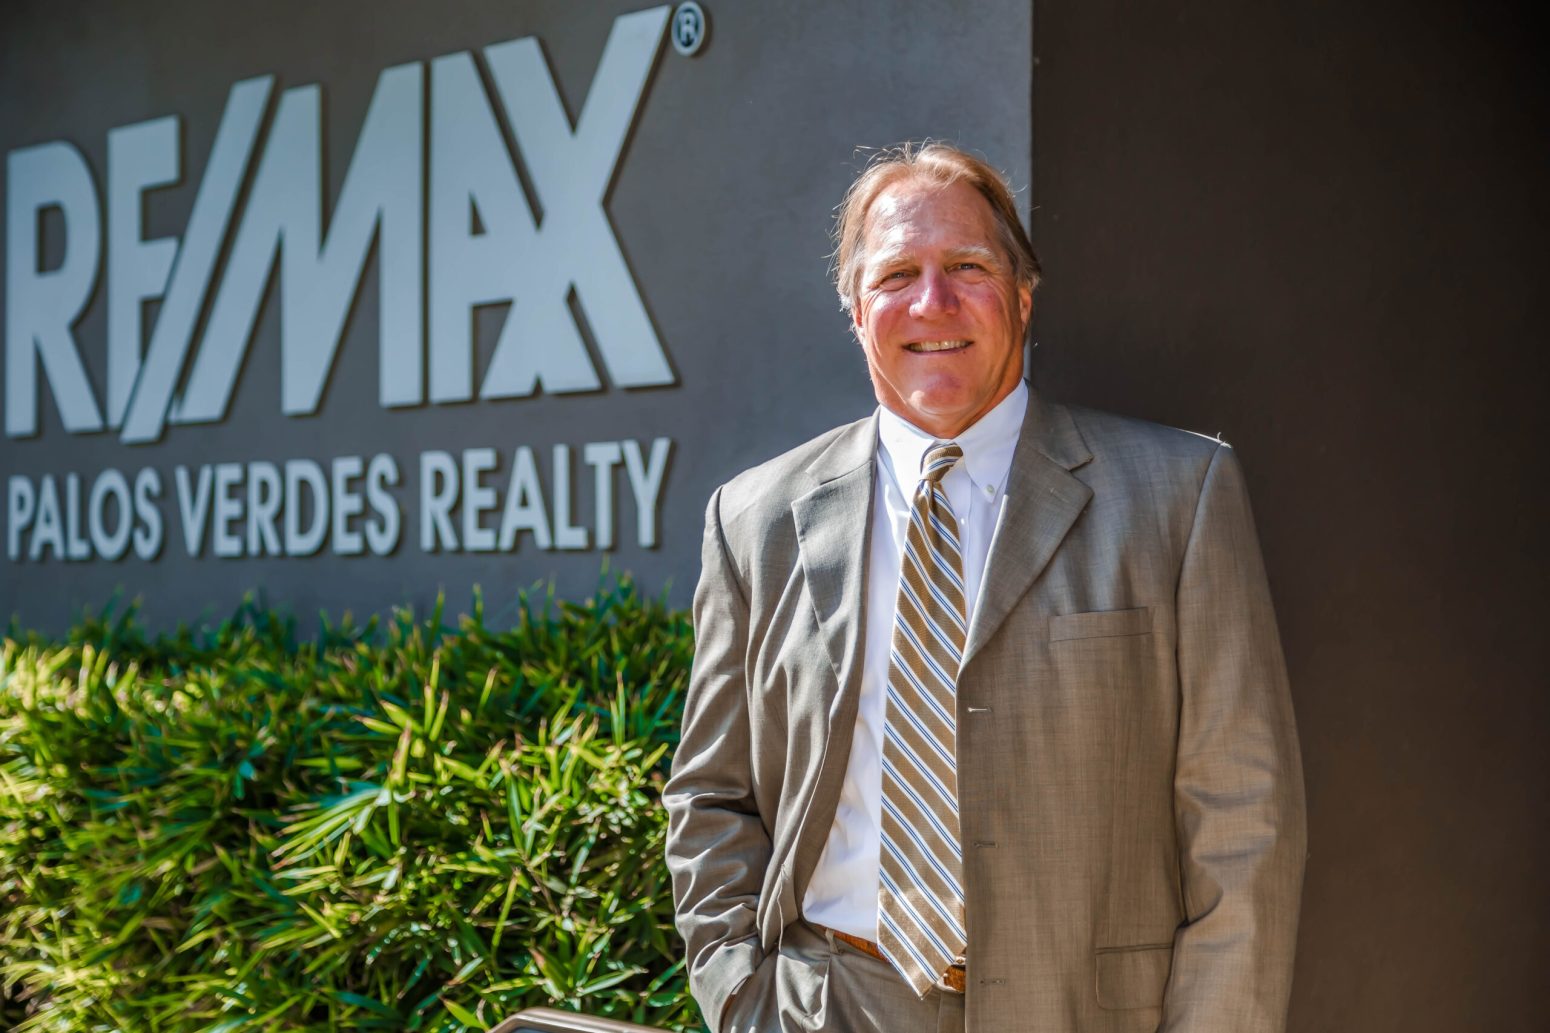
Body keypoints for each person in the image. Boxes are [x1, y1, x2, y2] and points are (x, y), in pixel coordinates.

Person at [662, 141, 1306, 1033]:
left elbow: (1243, 818)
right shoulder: (756, 520)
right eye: (897, 274)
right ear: (856, 309)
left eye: (967, 266)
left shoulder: (1177, 496)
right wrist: (741, 994)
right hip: (829, 1007)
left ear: (1022, 294)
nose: (933, 302)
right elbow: (712, 795)